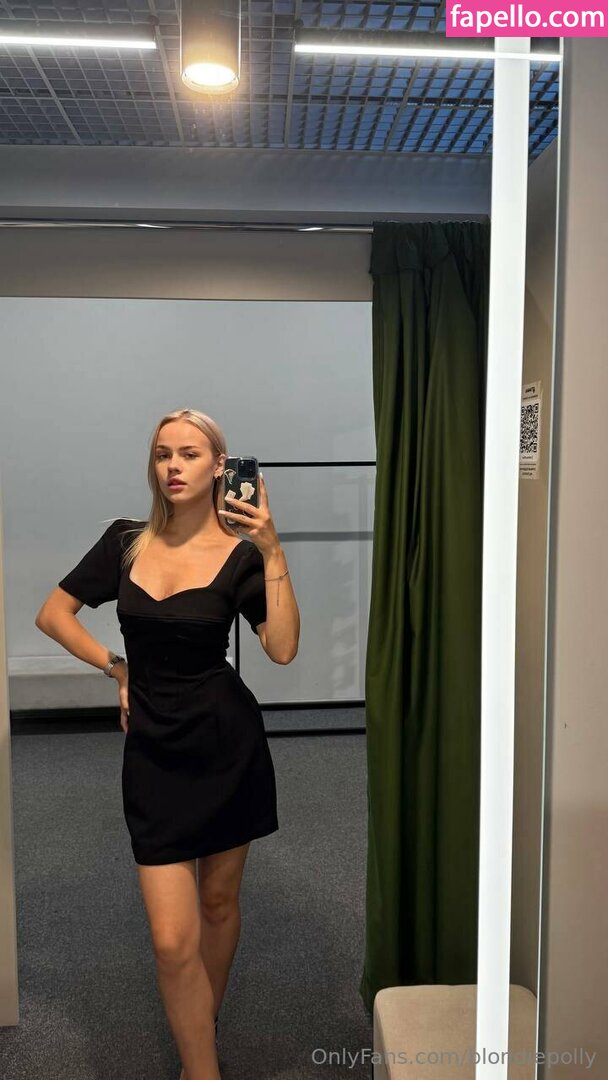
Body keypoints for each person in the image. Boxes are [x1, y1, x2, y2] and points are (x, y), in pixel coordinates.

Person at [35, 408, 300, 1080]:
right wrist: (115, 667)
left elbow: (282, 647)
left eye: (189, 453)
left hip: (227, 745)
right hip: (153, 748)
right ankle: (203, 1061)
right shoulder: (125, 542)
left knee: (217, 904)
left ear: (220, 466)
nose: (173, 466)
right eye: (162, 454)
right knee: (170, 940)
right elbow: (53, 613)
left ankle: (197, 1057)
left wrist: (273, 551)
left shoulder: (242, 554)